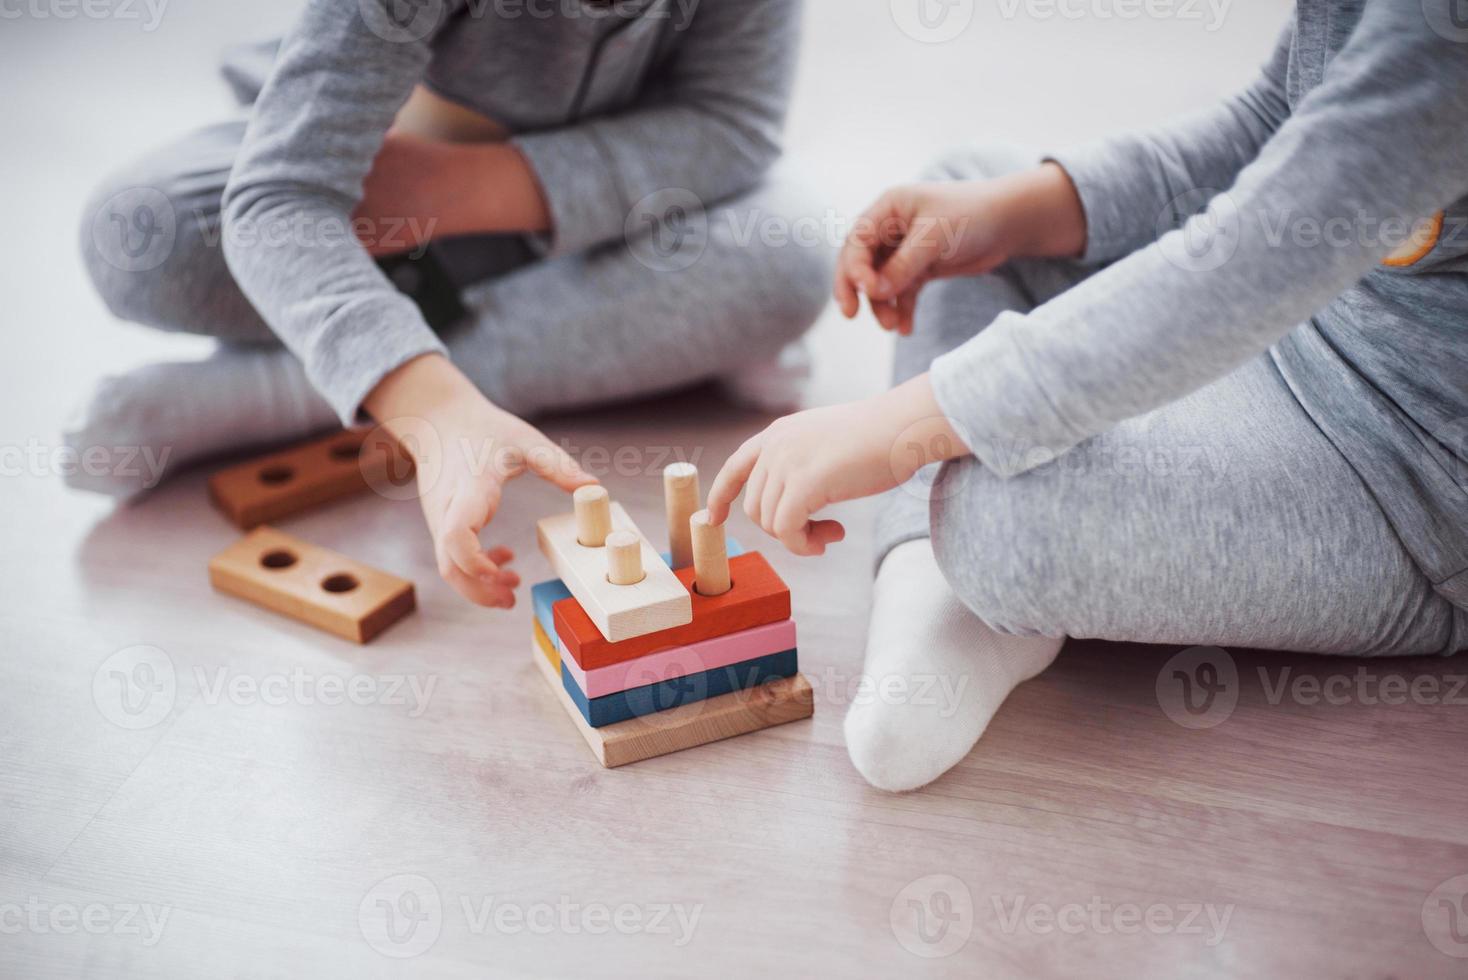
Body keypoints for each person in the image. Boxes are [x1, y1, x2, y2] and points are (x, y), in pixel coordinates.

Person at [707, 0, 1468, 791]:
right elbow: (1279, 120)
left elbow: (1259, 252)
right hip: (1292, 327)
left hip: (1409, 481)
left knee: (997, 519)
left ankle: (965, 570)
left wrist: (903, 422)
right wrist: (1012, 215)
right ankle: (929, 580)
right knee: (953, 197)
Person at [71, 0, 831, 608]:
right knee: (139, 235)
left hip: (569, 213)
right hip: (377, 189)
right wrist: (433, 416)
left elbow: (731, 123)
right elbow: (282, 197)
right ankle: (624, 343)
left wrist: (455, 192)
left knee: (788, 257)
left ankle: (287, 389)